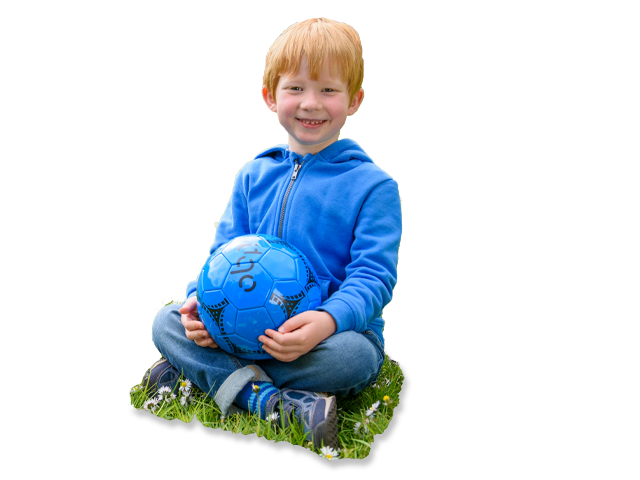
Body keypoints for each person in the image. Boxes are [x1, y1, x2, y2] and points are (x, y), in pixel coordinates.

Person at [145, 16, 402, 452]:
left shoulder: (373, 188)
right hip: (238, 329)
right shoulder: (253, 176)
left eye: (328, 90)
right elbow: (221, 257)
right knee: (168, 322)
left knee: (355, 359)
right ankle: (267, 400)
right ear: (270, 96)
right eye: (296, 88)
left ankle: (207, 375)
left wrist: (327, 321)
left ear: (354, 100)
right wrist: (198, 306)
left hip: (319, 339)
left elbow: (373, 277)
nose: (311, 104)